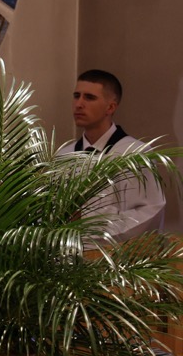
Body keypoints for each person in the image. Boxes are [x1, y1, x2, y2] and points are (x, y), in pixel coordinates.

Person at [63, 69, 165, 241]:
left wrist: (88, 224)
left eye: (89, 97)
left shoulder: (135, 154)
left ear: (110, 107)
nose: (79, 104)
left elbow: (150, 213)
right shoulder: (64, 155)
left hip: (114, 253)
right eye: (76, 96)